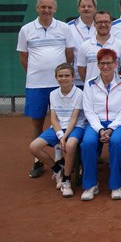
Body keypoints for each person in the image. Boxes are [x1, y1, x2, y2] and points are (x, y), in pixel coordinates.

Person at [17, 0, 75, 178]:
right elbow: (24, 58)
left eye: (50, 7)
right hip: (35, 85)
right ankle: (38, 160)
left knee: (59, 121)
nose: (46, 10)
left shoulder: (64, 28)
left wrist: (58, 77)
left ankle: (59, 157)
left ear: (55, 8)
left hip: (60, 86)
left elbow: (69, 55)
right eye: (43, 6)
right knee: (37, 122)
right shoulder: (26, 30)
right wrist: (37, 73)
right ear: (37, 8)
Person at [80, 48, 121, 201]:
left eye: (109, 63)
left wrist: (111, 128)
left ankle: (115, 185)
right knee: (88, 143)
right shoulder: (89, 84)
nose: (106, 67)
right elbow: (88, 111)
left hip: (120, 123)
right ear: (98, 65)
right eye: (102, 63)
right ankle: (90, 185)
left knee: (116, 142)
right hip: (97, 124)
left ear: (116, 64)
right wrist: (101, 128)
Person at [28, 63, 85, 198]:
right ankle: (57, 169)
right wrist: (60, 135)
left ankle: (66, 180)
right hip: (58, 128)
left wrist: (64, 137)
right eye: (60, 76)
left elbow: (74, 118)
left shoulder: (79, 93)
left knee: (70, 146)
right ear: (56, 78)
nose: (63, 78)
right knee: (34, 147)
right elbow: (53, 118)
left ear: (73, 77)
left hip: (76, 127)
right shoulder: (53, 94)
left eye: (67, 76)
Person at [77, 11, 121, 83]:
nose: (103, 25)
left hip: (114, 90)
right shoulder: (85, 45)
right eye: (99, 22)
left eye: (106, 22)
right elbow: (81, 70)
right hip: (92, 91)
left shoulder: (120, 45)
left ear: (111, 23)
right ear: (94, 24)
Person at [68, 0, 97, 88]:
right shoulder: (69, 27)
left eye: (89, 6)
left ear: (95, 9)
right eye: (83, 6)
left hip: (97, 78)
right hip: (76, 80)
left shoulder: (102, 26)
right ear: (78, 9)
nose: (86, 9)